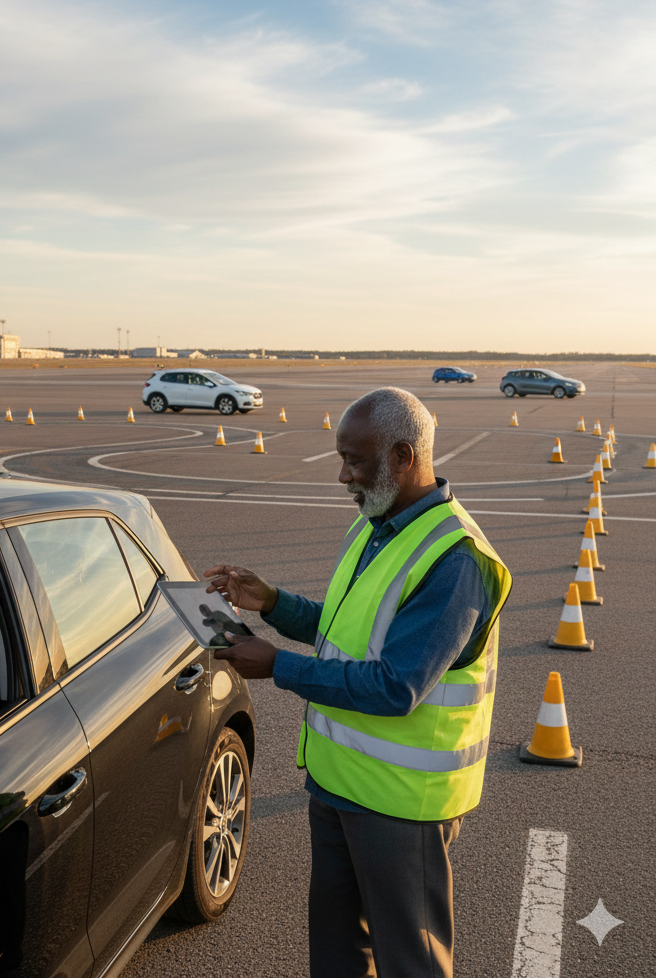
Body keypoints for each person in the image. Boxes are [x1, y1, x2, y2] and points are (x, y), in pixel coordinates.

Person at [203, 387, 512, 978]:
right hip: (338, 786)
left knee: (409, 961)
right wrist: (271, 602)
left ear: (403, 457)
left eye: (355, 461)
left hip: (401, 806)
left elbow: (396, 685)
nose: (343, 476)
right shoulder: (381, 523)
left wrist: (277, 666)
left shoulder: (456, 560)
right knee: (339, 953)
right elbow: (345, 629)